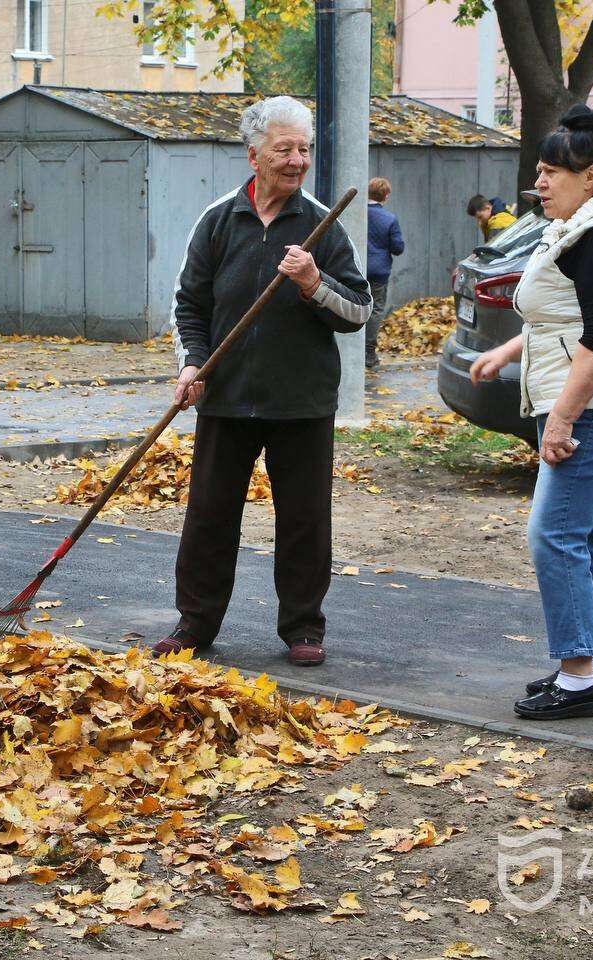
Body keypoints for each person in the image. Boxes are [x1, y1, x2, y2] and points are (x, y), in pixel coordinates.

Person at [156, 95, 372, 668]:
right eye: (284, 149)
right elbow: (189, 304)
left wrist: (312, 281)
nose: (297, 160)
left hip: (300, 401)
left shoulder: (322, 224)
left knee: (304, 518)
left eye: (304, 149)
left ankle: (302, 626)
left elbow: (358, 313)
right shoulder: (219, 220)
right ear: (254, 155)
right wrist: (191, 365)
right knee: (208, 515)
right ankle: (195, 622)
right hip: (225, 397)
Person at [468, 105, 593, 721]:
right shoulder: (580, 224)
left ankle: (575, 676)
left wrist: (562, 419)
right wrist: (506, 349)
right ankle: (591, 663)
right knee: (583, 534)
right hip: (592, 399)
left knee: (553, 534)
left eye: (551, 173)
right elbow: (563, 315)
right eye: (539, 172)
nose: (539, 183)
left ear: (591, 175)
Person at [365, 177, 405, 370]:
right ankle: (369, 353)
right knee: (375, 309)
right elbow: (398, 248)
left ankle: (350, 348)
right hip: (379, 272)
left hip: (356, 268)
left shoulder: (357, 213)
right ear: (386, 196)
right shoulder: (389, 219)